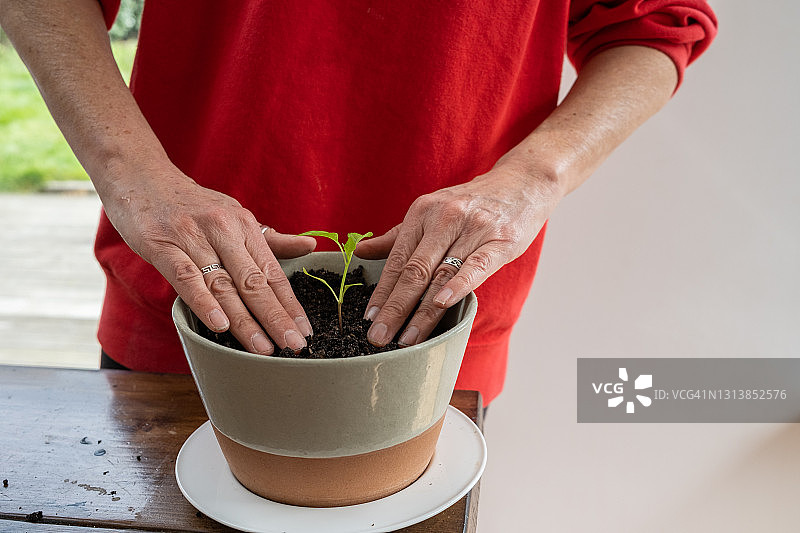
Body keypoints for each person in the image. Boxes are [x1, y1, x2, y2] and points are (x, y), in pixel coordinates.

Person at [0, 0, 716, 405]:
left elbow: (653, 23)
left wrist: (534, 178)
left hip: (433, 324)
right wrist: (130, 172)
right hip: (192, 304)